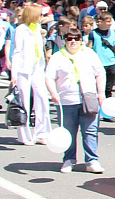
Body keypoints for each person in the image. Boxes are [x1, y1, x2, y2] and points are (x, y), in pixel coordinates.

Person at [44, 29, 105, 173]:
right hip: (66, 100)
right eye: (69, 38)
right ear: (65, 41)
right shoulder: (58, 57)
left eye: (76, 38)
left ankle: (92, 160)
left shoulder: (89, 54)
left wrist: (101, 93)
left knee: (90, 131)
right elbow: (49, 77)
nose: (73, 41)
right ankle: (68, 159)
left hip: (88, 98)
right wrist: (53, 93)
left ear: (81, 40)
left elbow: (100, 73)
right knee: (68, 132)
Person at [11, 4, 52, 145]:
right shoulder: (21, 30)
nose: (42, 17)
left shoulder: (37, 30)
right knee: (24, 101)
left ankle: (42, 132)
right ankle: (25, 134)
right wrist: (14, 73)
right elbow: (17, 51)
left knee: (42, 98)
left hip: (38, 67)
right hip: (24, 68)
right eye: (40, 15)